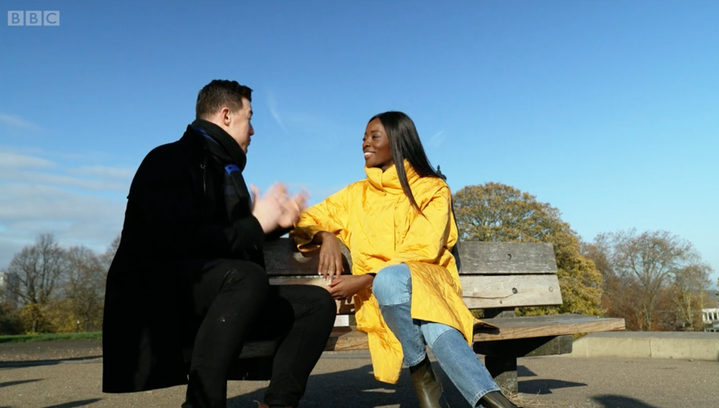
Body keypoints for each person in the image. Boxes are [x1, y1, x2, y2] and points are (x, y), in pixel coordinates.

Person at [102, 80, 337, 408]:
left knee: (317, 303)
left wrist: (272, 227)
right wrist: (256, 223)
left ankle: (279, 404)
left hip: (223, 299)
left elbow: (226, 242)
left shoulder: (224, 169)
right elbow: (176, 243)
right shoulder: (168, 160)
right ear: (226, 115)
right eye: (250, 117)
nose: (253, 130)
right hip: (163, 303)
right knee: (246, 277)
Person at [290, 111, 518, 408]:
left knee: (393, 280)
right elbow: (303, 220)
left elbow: (422, 247)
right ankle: (490, 399)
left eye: (374, 136)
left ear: (397, 142)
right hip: (385, 300)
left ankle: (424, 380)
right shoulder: (355, 194)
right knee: (429, 318)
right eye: (363, 138)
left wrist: (365, 279)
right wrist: (326, 236)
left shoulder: (433, 188)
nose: (365, 144)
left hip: (427, 280)